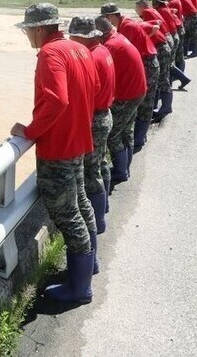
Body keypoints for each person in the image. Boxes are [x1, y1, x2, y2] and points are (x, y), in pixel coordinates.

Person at [11, 3, 99, 303]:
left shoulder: (50, 54)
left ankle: (80, 288)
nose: (28, 38)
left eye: (27, 32)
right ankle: (89, 268)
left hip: (59, 148)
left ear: (38, 29)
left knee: (68, 214)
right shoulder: (80, 49)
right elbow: (94, 89)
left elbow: (58, 100)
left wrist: (31, 131)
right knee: (82, 203)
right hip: (78, 141)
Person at [67, 16, 113, 269]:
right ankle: (101, 215)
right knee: (100, 165)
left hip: (95, 119)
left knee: (92, 173)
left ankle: (99, 220)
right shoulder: (102, 50)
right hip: (104, 115)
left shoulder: (91, 57)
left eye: (73, 37)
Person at [95, 16, 146, 188]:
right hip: (137, 90)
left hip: (128, 94)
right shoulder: (117, 38)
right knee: (127, 130)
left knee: (114, 135)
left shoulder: (110, 46)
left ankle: (121, 171)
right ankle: (125, 167)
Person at [101, 2, 158, 152]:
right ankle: (137, 141)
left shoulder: (126, 27)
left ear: (114, 15)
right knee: (135, 113)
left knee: (145, 106)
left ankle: (139, 140)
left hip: (148, 62)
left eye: (107, 17)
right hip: (144, 62)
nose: (107, 20)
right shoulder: (123, 26)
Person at [135, 0, 174, 124]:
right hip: (164, 43)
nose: (136, 11)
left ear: (142, 7)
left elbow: (155, 26)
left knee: (163, 79)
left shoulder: (147, 12)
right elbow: (159, 22)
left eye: (137, 8)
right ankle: (162, 106)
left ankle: (166, 107)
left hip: (161, 47)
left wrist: (147, 36)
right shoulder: (152, 11)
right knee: (162, 77)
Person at [155, 0, 191, 90]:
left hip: (171, 35)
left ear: (157, 3)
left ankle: (177, 81)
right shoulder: (165, 9)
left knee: (168, 63)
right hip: (175, 34)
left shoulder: (161, 11)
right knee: (170, 62)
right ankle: (182, 78)